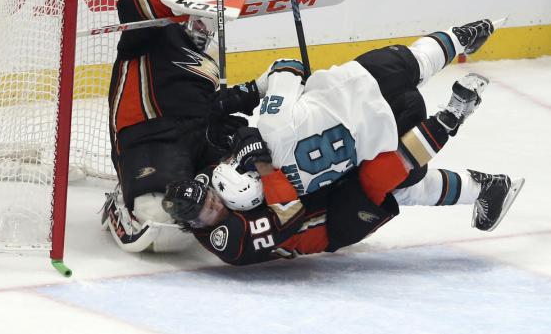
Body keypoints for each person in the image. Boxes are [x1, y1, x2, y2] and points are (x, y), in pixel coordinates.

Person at [209, 19, 505, 207]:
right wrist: (242, 95)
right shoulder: (273, 126)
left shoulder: (297, 195)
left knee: (403, 187)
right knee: (420, 59)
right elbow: (288, 65)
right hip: (367, 78)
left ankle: (458, 140)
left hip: (395, 126)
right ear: (237, 161)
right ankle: (460, 38)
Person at [161, 136, 524, 265]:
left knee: (380, 167)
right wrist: (257, 159)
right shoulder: (230, 240)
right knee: (391, 183)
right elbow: (288, 212)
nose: (217, 205)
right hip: (329, 224)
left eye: (211, 198)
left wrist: (240, 139)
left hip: (311, 195)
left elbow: (225, 161)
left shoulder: (207, 190)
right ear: (194, 224)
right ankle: (483, 184)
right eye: (210, 210)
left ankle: (488, 186)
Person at [101, 0, 248, 253]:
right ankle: (124, 202)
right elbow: (130, 0)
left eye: (212, 26)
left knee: (245, 190)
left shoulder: (210, 55)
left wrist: (223, 117)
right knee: (162, 222)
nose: (207, 32)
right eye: (202, 23)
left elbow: (203, 107)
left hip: (193, 138)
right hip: (148, 136)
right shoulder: (154, 32)